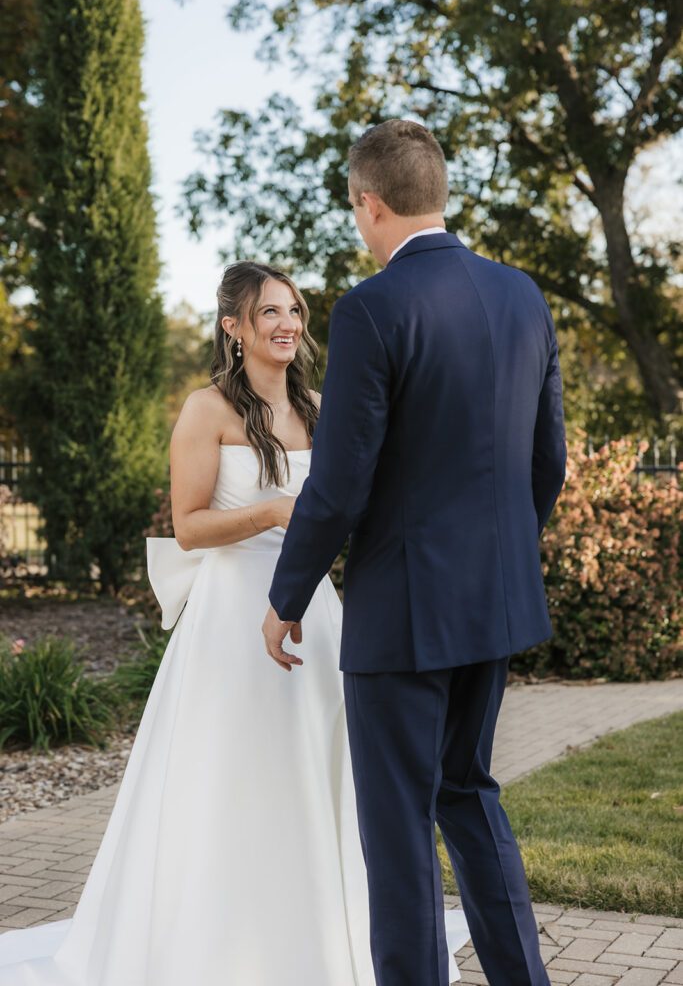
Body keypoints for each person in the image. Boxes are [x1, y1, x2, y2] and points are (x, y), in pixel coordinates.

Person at [0, 260, 469, 985]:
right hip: (231, 612)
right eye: (269, 313)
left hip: (313, 605)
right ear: (233, 327)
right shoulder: (205, 409)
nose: (287, 325)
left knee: (327, 763)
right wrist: (278, 511)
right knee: (233, 772)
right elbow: (188, 528)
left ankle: (326, 930)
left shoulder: (319, 405)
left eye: (294, 311)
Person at [263, 119, 567, 986]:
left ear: (369, 203)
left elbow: (342, 482)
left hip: (402, 613)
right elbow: (546, 461)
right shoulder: (522, 294)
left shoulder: (371, 306)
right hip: (495, 602)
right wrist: (499, 557)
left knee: (396, 831)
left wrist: (286, 597)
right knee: (468, 795)